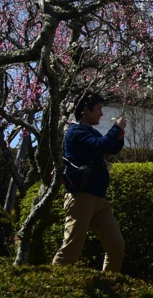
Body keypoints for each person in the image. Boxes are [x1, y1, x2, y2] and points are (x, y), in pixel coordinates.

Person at [52, 92, 127, 272]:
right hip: (81, 198)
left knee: (116, 246)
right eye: (99, 109)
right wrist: (116, 128)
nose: (102, 114)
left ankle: (108, 287)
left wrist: (120, 135)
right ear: (85, 110)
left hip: (99, 199)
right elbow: (99, 146)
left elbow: (110, 147)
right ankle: (50, 288)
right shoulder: (75, 131)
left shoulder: (89, 131)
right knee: (71, 250)